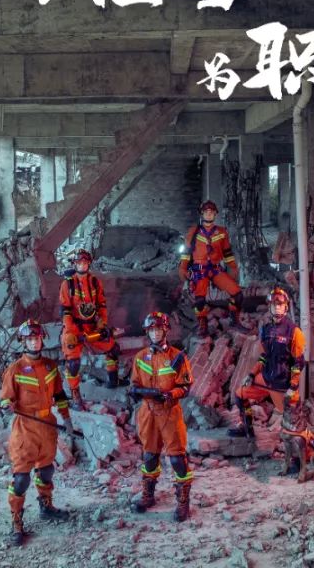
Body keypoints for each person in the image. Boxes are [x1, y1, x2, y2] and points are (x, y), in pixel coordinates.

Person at [0, 319, 74, 546]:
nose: (34, 342)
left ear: (42, 339)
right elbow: (6, 398)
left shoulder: (51, 366)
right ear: (23, 342)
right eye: (30, 339)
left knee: (46, 470)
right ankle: (16, 522)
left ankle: (46, 507)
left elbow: (60, 395)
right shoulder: (15, 369)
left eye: (37, 338)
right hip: (25, 428)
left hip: (47, 425)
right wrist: (7, 405)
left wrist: (67, 420)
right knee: (21, 478)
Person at [127, 312, 194, 521]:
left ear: (166, 330)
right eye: (151, 330)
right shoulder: (140, 357)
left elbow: (185, 387)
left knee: (177, 458)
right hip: (147, 411)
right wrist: (138, 391)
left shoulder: (177, 357)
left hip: (169, 412)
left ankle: (183, 502)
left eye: (158, 329)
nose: (155, 333)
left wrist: (171, 394)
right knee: (149, 456)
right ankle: (148, 495)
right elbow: (134, 384)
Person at [228, 287, 305, 450]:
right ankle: (247, 428)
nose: (277, 307)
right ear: (269, 307)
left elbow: (298, 362)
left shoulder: (294, 331)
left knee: (292, 424)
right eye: (274, 304)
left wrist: (293, 387)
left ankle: (300, 458)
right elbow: (264, 356)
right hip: (266, 378)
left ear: (286, 307)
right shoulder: (266, 330)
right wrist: (251, 374)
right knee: (240, 394)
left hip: (282, 384)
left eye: (280, 304)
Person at [59, 248, 121, 408]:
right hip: (74, 326)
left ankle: (113, 380)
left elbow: (101, 305)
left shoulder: (95, 282)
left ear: (89, 264)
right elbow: (65, 310)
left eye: (85, 262)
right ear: (75, 264)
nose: (82, 265)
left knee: (112, 348)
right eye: (79, 262)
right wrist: (70, 332)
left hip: (92, 325)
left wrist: (102, 323)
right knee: (73, 363)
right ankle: (75, 393)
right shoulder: (68, 284)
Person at [178, 200, 243, 335]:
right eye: (206, 212)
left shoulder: (222, 232)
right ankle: (203, 326)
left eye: (211, 212)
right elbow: (186, 252)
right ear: (202, 214)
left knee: (238, 295)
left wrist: (233, 267)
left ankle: (234, 322)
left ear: (215, 214)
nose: (209, 214)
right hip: (199, 270)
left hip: (215, 269)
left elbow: (227, 253)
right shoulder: (194, 232)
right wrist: (183, 268)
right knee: (199, 300)